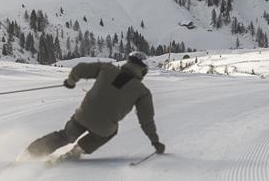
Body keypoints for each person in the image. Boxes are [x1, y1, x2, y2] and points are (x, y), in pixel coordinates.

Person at [23, 51, 165, 162]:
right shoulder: (142, 91)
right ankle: (76, 151)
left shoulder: (107, 69)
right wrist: (155, 142)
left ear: (128, 62)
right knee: (112, 130)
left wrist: (71, 82)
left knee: (65, 135)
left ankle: (29, 155)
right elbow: (146, 121)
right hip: (104, 128)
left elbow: (80, 69)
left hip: (82, 116)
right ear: (143, 70)